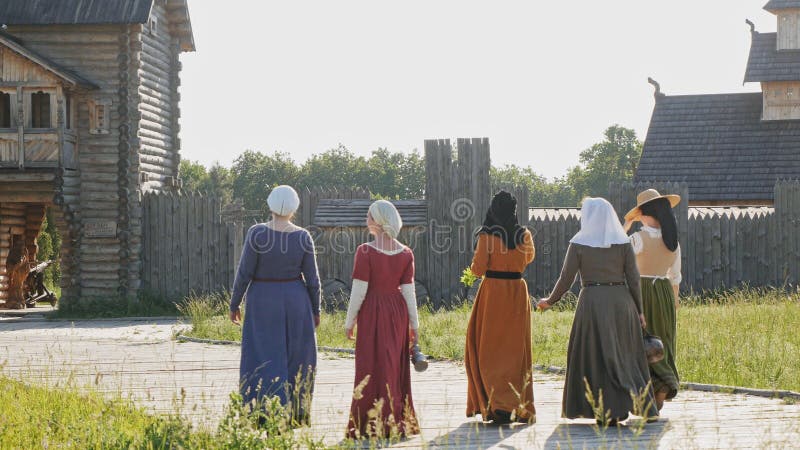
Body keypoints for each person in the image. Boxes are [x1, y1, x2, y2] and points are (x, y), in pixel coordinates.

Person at [538, 197, 658, 425]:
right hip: (622, 303)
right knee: (625, 356)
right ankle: (634, 405)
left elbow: (566, 278)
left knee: (596, 357)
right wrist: (639, 311)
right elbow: (633, 280)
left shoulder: (579, 243)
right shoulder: (622, 242)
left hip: (592, 303)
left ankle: (604, 410)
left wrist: (550, 301)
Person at [229, 185, 321, 426]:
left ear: (270, 205)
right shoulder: (303, 236)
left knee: (261, 355)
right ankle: (295, 414)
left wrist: (234, 302)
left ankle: (260, 413)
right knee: (297, 356)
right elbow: (313, 280)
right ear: (295, 207)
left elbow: (244, 272)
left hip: (262, 299)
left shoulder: (256, 233)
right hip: (296, 300)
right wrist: (316, 309)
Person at [345, 200, 420, 439]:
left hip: (373, 311)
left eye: (369, 215)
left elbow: (359, 291)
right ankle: (394, 422)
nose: (366, 219)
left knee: (368, 364)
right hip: (396, 313)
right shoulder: (406, 253)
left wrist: (349, 321)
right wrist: (413, 325)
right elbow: (409, 292)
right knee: (393, 365)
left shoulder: (365, 251)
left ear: (378, 220)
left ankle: (369, 424)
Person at [465, 190, 536, 424]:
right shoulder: (524, 235)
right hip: (516, 292)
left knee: (487, 349)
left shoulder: (486, 235)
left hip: (493, 293)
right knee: (516, 350)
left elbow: (477, 269)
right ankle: (515, 403)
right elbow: (528, 259)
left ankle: (495, 403)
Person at [623, 189, 682, 410]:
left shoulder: (637, 238)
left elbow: (616, 253)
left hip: (642, 292)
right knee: (662, 342)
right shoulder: (673, 242)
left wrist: (626, 226)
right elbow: (675, 277)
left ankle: (646, 392)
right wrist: (673, 303)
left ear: (646, 215)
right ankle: (663, 385)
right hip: (665, 294)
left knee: (640, 341)